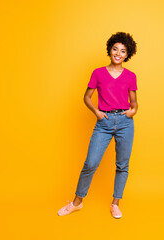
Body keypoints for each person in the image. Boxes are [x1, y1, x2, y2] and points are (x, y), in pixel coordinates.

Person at [58, 32, 138, 219]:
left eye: (123, 51)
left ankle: (115, 203)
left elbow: (134, 102)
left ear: (127, 54)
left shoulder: (131, 76)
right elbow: (87, 97)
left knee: (122, 165)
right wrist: (96, 112)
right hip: (104, 122)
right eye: (115, 49)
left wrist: (133, 111)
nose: (118, 53)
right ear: (110, 50)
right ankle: (77, 202)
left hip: (125, 123)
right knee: (91, 163)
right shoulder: (98, 73)